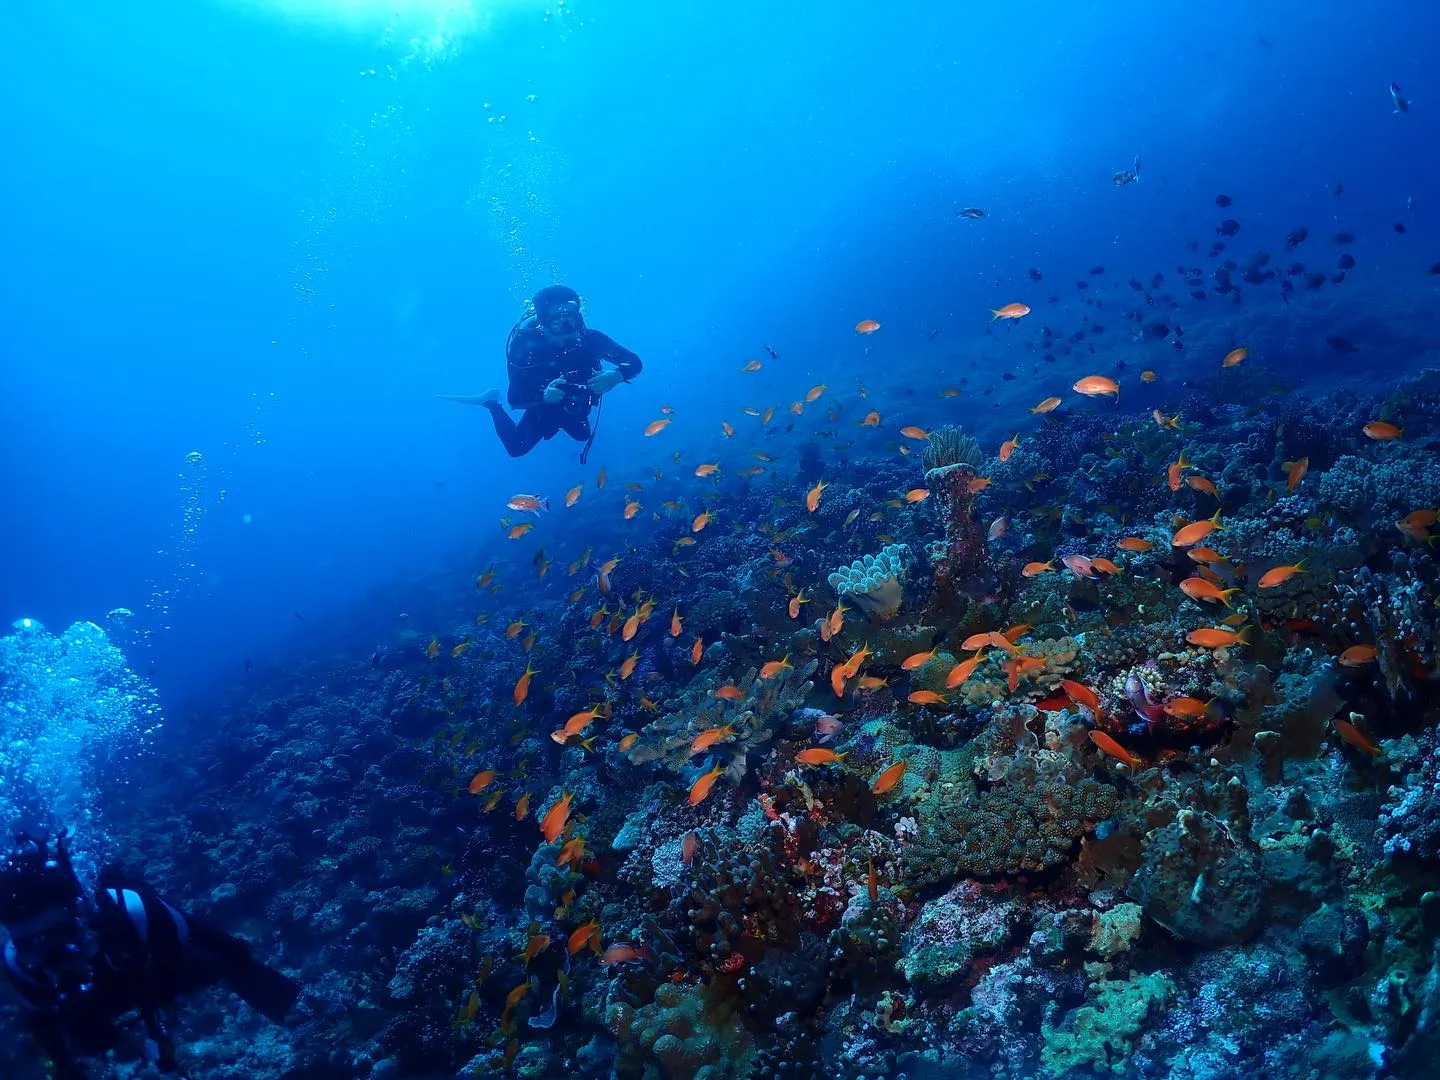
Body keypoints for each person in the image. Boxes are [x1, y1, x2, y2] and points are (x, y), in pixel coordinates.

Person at [0, 830, 301, 1079]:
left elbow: (220, 943)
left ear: (82, 916)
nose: (53, 960)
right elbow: (44, 1031)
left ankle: (303, 1017)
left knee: (215, 963)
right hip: (98, 1006)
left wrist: (286, 1002)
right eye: (32, 947)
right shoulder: (18, 964)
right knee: (84, 1039)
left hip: (152, 971)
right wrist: (69, 1068)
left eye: (59, 940)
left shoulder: (130, 912)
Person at [442, 285, 643, 460]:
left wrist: (618, 375)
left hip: (577, 401)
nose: (567, 326)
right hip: (541, 405)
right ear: (544, 320)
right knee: (516, 448)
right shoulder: (526, 346)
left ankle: (558, 421)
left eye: (570, 317)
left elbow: (634, 362)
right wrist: (543, 395)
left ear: (578, 315)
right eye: (557, 319)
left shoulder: (590, 339)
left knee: (582, 435)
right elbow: (515, 399)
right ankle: (491, 403)